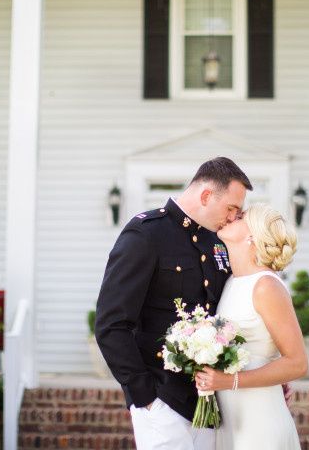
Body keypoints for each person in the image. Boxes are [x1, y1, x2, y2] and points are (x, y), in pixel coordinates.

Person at [95, 157, 252, 450]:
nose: (233, 218)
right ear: (206, 195)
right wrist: (143, 397)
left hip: (207, 403)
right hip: (161, 399)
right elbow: (111, 323)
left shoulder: (217, 242)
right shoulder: (146, 233)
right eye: (231, 208)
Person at [194, 203, 307, 450]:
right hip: (232, 418)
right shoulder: (232, 282)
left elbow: (297, 362)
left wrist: (229, 381)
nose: (231, 216)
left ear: (252, 236)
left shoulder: (266, 286)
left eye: (241, 216)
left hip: (259, 418)